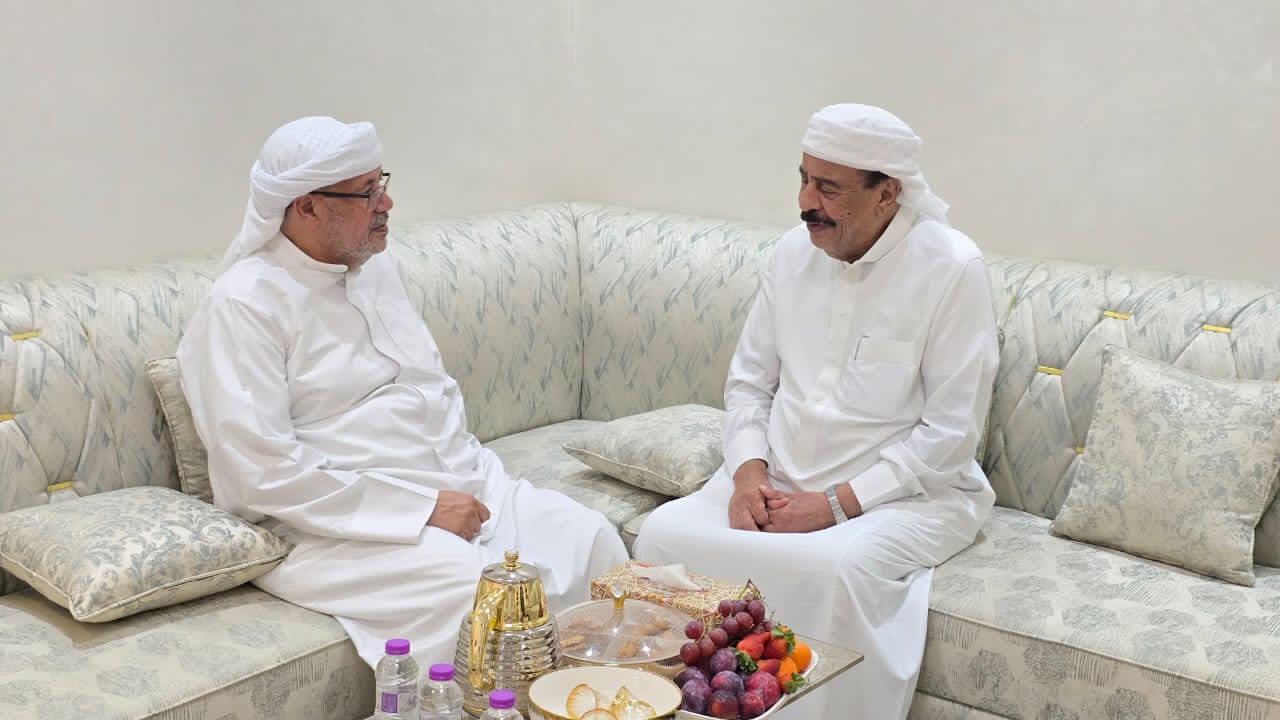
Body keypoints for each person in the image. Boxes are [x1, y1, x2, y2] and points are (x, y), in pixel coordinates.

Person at [177, 116, 628, 670]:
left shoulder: (372, 266)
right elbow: (261, 475)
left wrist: (461, 481)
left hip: (460, 486)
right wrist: (422, 509)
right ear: (307, 207)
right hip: (334, 530)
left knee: (593, 540)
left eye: (382, 183)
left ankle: (601, 699)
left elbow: (428, 385)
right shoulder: (243, 305)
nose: (386, 203)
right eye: (367, 192)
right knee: (485, 595)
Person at [633, 103, 998, 719]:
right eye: (803, 179)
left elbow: (950, 435)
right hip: (776, 482)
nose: (806, 202)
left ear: (888, 194)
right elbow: (749, 385)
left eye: (828, 188)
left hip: (907, 496)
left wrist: (835, 505)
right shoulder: (788, 255)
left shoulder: (953, 269)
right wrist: (748, 476)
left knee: (834, 568)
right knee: (661, 537)